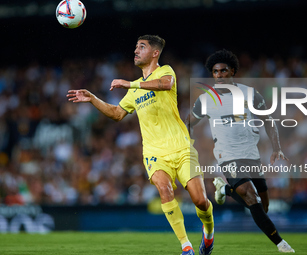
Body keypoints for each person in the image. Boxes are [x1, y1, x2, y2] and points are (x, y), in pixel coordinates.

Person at [67, 35, 214, 255]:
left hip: (181, 147)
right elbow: (117, 113)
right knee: (164, 191)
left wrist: (130, 83)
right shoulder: (134, 92)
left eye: (142, 47)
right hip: (154, 152)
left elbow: (166, 85)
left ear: (155, 53)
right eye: (136, 47)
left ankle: (209, 233)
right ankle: (186, 246)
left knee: (200, 201)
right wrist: (93, 99)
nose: (136, 51)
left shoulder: (165, 71)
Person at [186, 49, 294, 253]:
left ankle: (224, 190)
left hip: (251, 154)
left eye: (223, 71)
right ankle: (281, 244)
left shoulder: (250, 93)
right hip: (227, 155)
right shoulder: (205, 99)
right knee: (251, 196)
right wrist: (183, 143)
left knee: (262, 207)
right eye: (215, 72)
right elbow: (188, 123)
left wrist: (276, 148)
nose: (219, 75)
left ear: (232, 71)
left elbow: (268, 121)